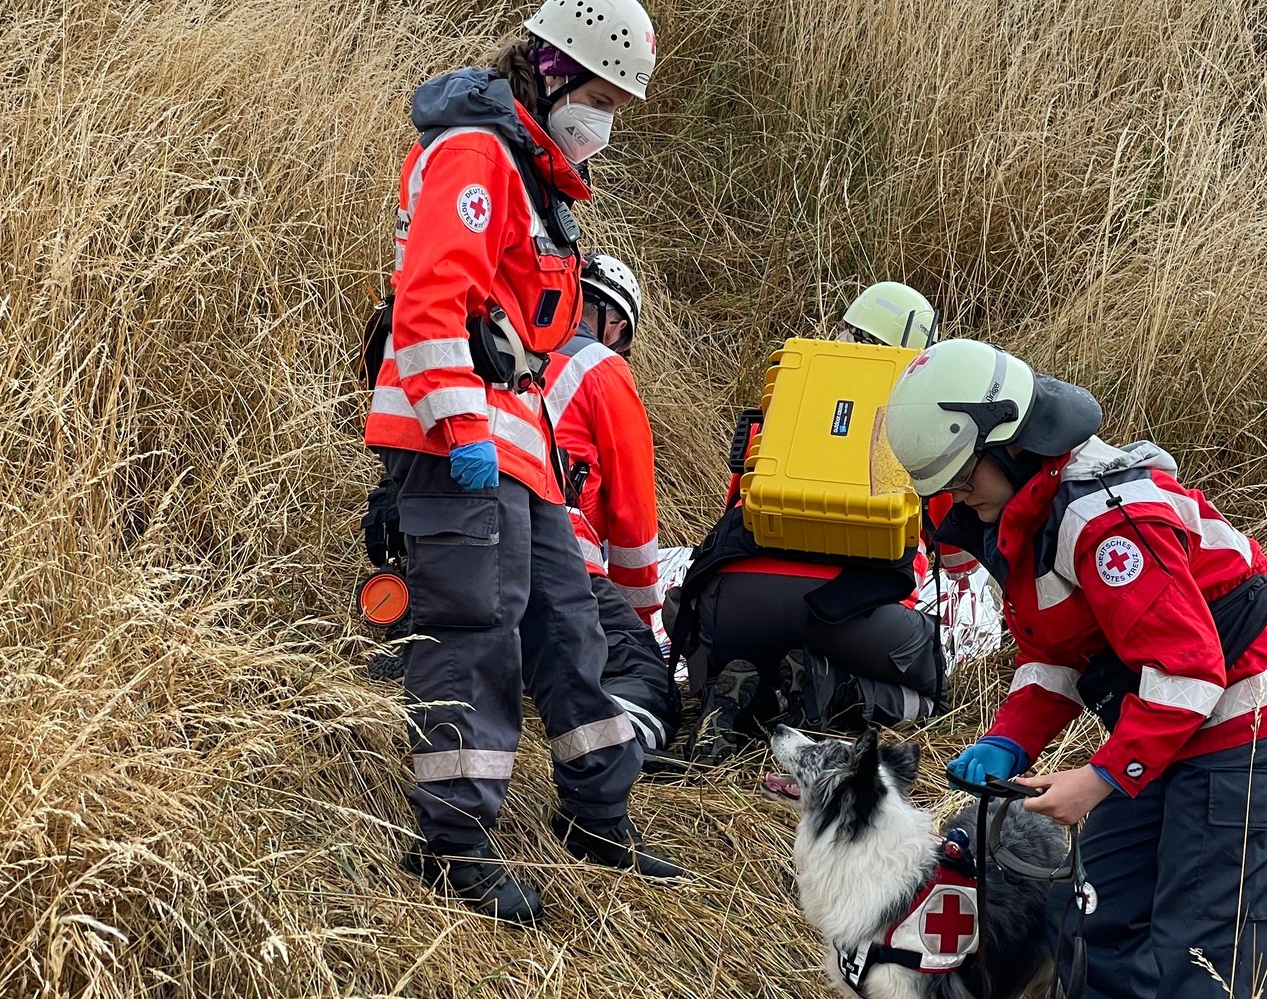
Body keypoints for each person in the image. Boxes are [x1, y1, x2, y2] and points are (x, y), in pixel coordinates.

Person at [881, 339, 1267, 999]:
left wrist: (1096, 778)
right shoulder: (1029, 514)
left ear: (1009, 443)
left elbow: (1189, 672)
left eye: (962, 478)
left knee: (1206, 940)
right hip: (1165, 723)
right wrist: (1008, 742)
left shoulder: (1103, 519)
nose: (957, 499)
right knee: (1090, 916)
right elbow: (1060, 654)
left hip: (1254, 717)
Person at [364, 0, 680, 928]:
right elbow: (427, 307)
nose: (605, 122)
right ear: (550, 70)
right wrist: (461, 433)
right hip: (460, 445)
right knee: (474, 634)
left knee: (567, 631)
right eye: (600, 96)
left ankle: (596, 811)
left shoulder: (532, 177)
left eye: (618, 104)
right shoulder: (476, 155)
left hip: (517, 447)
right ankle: (452, 844)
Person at [668, 282, 958, 775]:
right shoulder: (921, 423)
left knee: (695, 618)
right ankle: (836, 689)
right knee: (931, 690)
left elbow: (735, 505)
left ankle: (737, 696)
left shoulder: (788, 396)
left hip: (735, 601)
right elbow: (957, 555)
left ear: (844, 331)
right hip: (852, 613)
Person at [537, 253, 678, 758]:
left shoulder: (503, 347)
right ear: (615, 324)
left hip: (462, 548)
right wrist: (640, 618)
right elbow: (632, 513)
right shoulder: (602, 367)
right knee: (647, 681)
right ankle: (610, 753)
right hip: (558, 560)